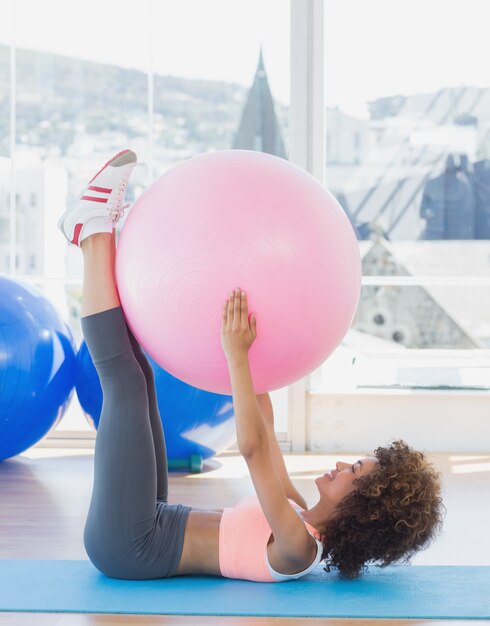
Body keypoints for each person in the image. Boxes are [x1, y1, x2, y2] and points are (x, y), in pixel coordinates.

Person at [58, 150, 445, 583]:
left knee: (124, 383)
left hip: (132, 545)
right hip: (153, 516)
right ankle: (95, 234)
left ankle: (92, 231)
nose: (341, 466)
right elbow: (266, 428)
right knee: (142, 377)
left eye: (353, 472)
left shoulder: (300, 548)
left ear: (362, 506)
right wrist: (260, 359)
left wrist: (235, 356)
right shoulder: (300, 512)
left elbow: (254, 451)